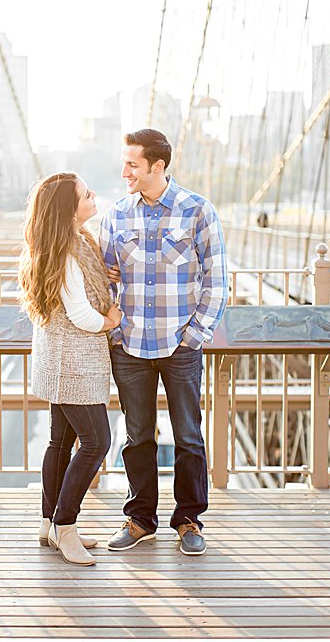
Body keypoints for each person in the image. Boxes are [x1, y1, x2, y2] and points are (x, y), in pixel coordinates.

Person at [99, 128, 226, 556]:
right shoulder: (116, 214)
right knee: (137, 436)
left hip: (180, 347)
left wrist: (194, 336)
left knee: (189, 435)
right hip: (130, 345)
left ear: (158, 166)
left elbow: (218, 280)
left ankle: (189, 520)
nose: (124, 172)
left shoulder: (198, 211)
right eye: (125, 163)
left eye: (133, 164)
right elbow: (102, 277)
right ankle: (140, 520)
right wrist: (114, 328)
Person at [19, 172, 123, 566]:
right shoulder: (65, 253)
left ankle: (48, 523)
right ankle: (66, 526)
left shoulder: (70, 244)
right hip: (73, 363)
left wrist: (105, 276)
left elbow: (81, 286)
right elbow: (80, 312)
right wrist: (110, 320)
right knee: (97, 442)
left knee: (59, 443)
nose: (93, 195)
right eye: (85, 194)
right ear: (68, 208)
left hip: (61, 359)